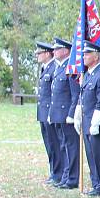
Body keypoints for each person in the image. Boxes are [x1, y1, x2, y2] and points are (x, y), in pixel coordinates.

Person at [78, 41, 100, 196]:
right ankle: (96, 182)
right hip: (87, 120)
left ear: (96, 56)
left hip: (96, 122)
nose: (83, 56)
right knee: (91, 154)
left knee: (98, 154)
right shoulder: (88, 75)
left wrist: (95, 123)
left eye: (87, 54)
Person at [49, 38, 80, 189]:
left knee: (71, 146)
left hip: (67, 115)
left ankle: (73, 178)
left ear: (66, 51)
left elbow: (75, 94)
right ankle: (66, 176)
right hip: (58, 114)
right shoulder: (59, 67)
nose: (53, 52)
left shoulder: (70, 67)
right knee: (63, 146)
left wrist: (72, 114)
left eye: (57, 49)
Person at [35, 41, 61, 185]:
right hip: (43, 112)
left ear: (47, 53)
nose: (37, 56)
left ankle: (58, 173)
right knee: (49, 144)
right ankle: (54, 171)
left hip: (50, 112)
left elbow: (54, 94)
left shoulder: (54, 68)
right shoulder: (46, 68)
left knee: (54, 144)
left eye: (39, 53)